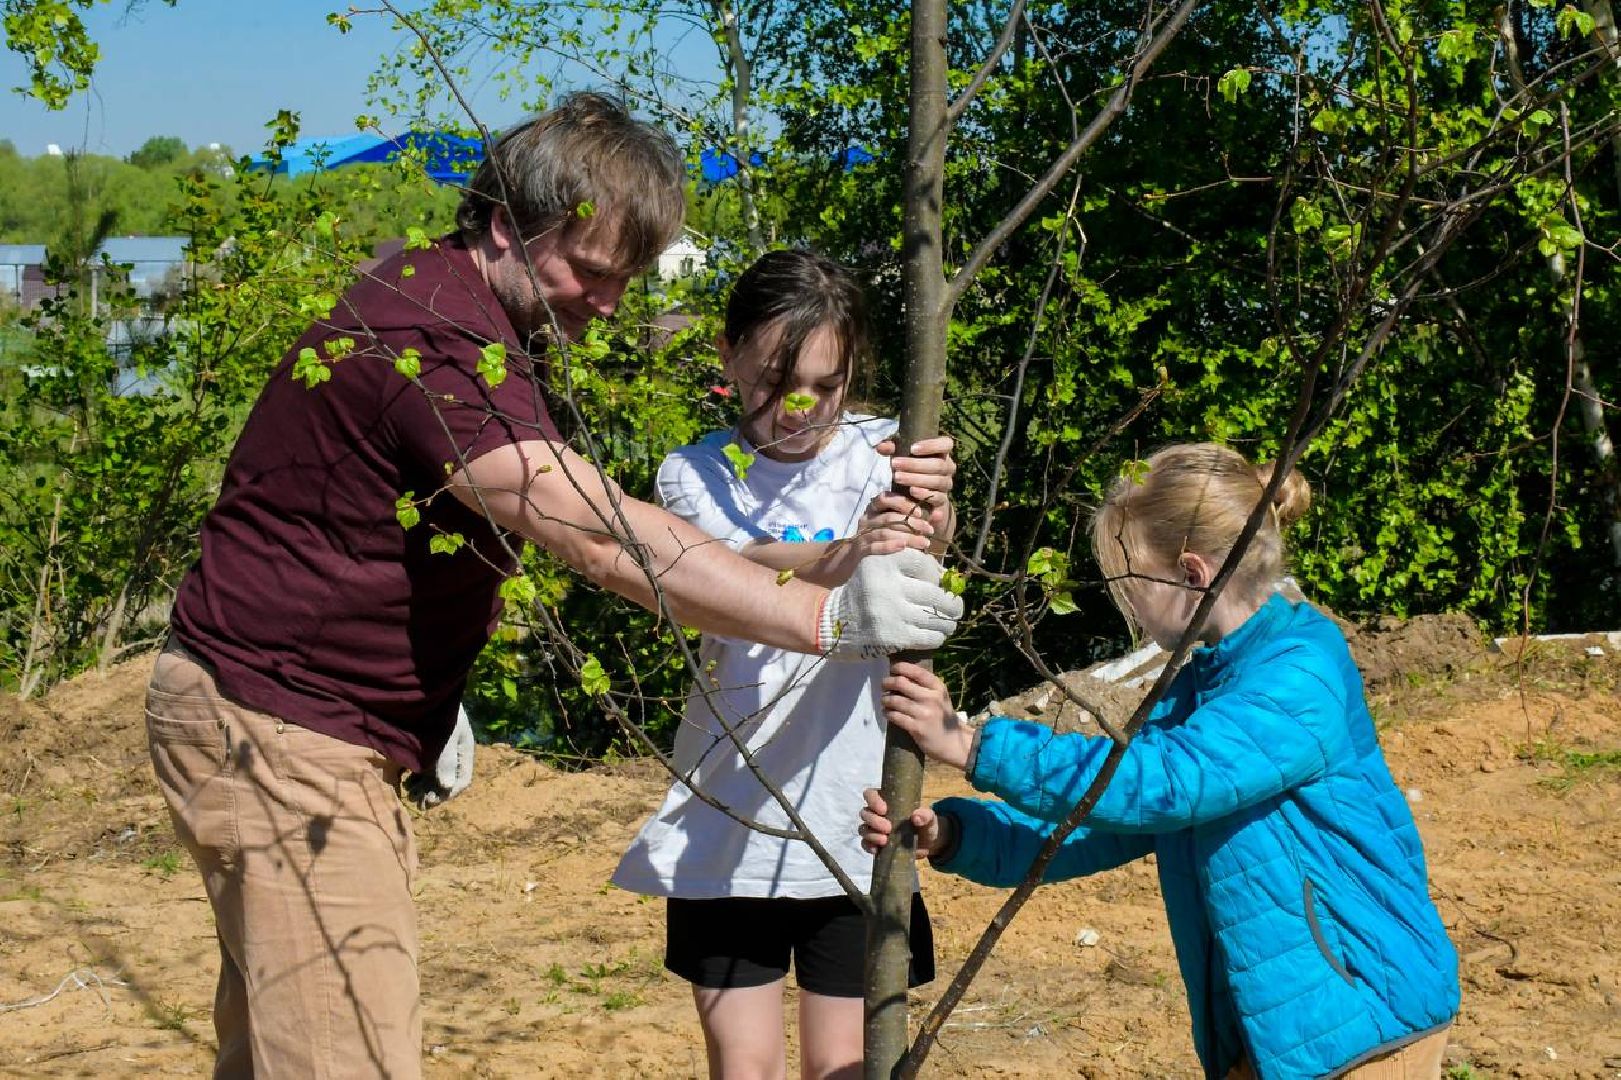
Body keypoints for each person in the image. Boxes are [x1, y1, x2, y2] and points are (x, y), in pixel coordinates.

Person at [146, 95, 962, 1080]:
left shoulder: (463, 314)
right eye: (591, 270)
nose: (608, 304)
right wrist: (819, 613)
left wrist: (420, 698)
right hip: (284, 735)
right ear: (504, 223)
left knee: (284, 1051)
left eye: (625, 279)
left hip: (308, 723)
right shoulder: (436, 338)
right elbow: (587, 527)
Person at [860, 443, 1459, 1080]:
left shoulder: (1299, 675)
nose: (1128, 608)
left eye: (1130, 585)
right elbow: (1099, 818)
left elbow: (1163, 783)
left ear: (1192, 575)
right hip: (1277, 1027)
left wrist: (973, 745)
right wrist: (958, 834)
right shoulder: (1203, 681)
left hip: (1365, 1017)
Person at [612, 249, 952, 1080]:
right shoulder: (693, 475)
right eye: (770, 379)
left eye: (824, 385)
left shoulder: (885, 452)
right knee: (745, 1066)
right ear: (727, 353)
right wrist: (843, 557)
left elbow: (926, 559)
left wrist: (931, 512)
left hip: (857, 816)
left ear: (853, 372)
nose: (796, 408)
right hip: (728, 819)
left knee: (845, 1064)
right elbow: (727, 570)